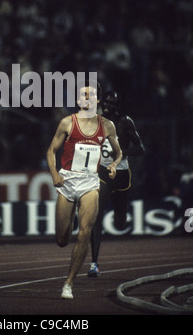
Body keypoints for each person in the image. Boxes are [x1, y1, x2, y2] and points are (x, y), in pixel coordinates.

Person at [46, 81, 122, 299]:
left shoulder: (107, 125)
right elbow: (51, 151)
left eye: (92, 95)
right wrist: (54, 174)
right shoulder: (67, 123)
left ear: (97, 100)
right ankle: (68, 222)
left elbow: (119, 153)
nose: (87, 98)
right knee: (62, 240)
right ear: (79, 100)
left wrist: (115, 164)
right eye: (83, 95)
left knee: (85, 233)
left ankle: (68, 283)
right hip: (68, 182)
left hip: (90, 183)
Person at [87, 90, 145, 277]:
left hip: (120, 174)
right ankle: (94, 263)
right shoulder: (94, 121)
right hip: (102, 173)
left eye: (112, 103)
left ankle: (121, 217)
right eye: (106, 102)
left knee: (120, 223)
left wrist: (120, 152)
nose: (108, 105)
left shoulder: (124, 122)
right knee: (96, 214)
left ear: (118, 106)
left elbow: (140, 148)